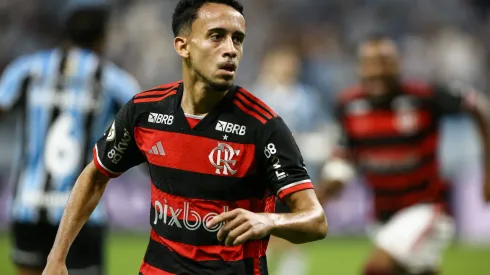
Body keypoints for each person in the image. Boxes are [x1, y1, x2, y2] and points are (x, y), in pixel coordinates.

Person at [42, 1, 329, 275]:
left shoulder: (263, 126)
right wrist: (57, 256)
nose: (230, 50)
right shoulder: (145, 112)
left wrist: (267, 220)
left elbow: (315, 220)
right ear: (183, 46)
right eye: (216, 36)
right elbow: (95, 175)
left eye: (237, 39)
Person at [317, 35, 490, 275]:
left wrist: (488, 171)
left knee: (377, 268)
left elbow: (479, 107)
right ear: (360, 67)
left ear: (398, 64)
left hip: (426, 210)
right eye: (370, 63)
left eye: (384, 62)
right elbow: (342, 161)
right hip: (383, 216)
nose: (377, 70)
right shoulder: (348, 106)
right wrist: (321, 195)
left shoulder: (425, 97)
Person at [0, 1, 141, 275]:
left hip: (29, 203)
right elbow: (142, 130)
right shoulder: (113, 80)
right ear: (102, 38)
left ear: (65, 34)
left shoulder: (27, 70)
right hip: (83, 211)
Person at [254, 46, 329, 275]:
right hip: (262, 175)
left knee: (295, 227)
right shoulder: (257, 95)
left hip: (297, 174)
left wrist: (317, 143)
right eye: (282, 62)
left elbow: (321, 128)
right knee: (260, 228)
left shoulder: (307, 97)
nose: (288, 67)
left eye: (291, 63)